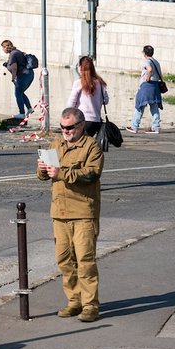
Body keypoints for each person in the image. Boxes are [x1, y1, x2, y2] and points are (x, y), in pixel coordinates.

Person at [37, 107, 104, 322]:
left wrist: (62, 173)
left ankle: (90, 305)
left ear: (81, 125)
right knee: (65, 260)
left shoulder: (91, 147)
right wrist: (41, 169)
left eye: (69, 127)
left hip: (83, 212)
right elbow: (43, 176)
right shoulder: (56, 145)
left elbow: (92, 174)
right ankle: (74, 301)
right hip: (60, 212)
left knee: (85, 261)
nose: (65, 131)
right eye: (62, 128)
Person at [66, 57, 109, 137]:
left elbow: (70, 104)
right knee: (87, 144)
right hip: (96, 121)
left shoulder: (79, 83)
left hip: (82, 120)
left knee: (77, 144)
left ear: (80, 68)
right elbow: (106, 101)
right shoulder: (100, 83)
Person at [128, 44, 165, 134]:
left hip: (147, 85)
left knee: (140, 105)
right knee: (154, 106)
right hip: (155, 86)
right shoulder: (156, 62)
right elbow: (160, 74)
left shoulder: (146, 61)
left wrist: (147, 77)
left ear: (144, 53)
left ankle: (134, 126)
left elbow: (149, 69)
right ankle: (156, 127)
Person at [0, 40, 35, 124]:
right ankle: (29, 108)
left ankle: (22, 113)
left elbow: (14, 67)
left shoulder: (13, 54)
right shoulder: (16, 52)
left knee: (17, 94)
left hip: (23, 75)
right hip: (29, 74)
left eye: (3, 48)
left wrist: (13, 78)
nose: (2, 50)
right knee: (21, 92)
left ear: (6, 47)